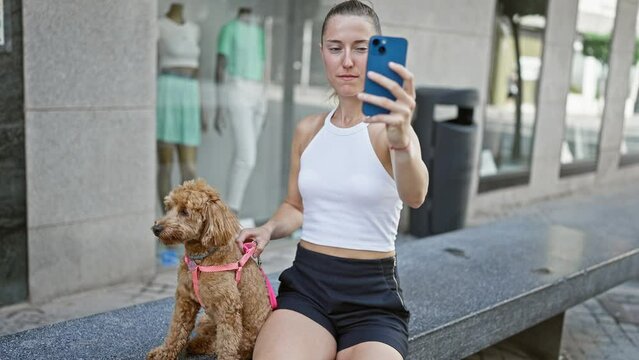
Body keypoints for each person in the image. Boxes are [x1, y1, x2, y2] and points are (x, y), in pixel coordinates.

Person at [235, 1, 428, 359]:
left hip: (373, 298)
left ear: (379, 52)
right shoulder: (308, 130)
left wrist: (402, 142)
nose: (348, 61)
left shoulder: (393, 132)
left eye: (361, 48)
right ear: (322, 52)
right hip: (309, 287)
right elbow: (296, 206)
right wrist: (268, 229)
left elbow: (415, 194)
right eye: (335, 48)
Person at [214, 7, 268, 218]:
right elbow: (220, 67)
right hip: (237, 88)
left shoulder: (259, 31)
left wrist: (265, 99)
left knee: (242, 158)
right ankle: (231, 212)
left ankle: (229, 209)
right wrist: (218, 106)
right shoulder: (229, 29)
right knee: (247, 158)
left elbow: (264, 64)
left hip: (259, 92)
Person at [156, 2, 207, 209]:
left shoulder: (195, 29)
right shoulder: (159, 25)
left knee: (189, 168)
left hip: (190, 93)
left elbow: (199, 70)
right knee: (166, 165)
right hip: (167, 91)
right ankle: (168, 222)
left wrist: (202, 109)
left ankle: (188, 220)